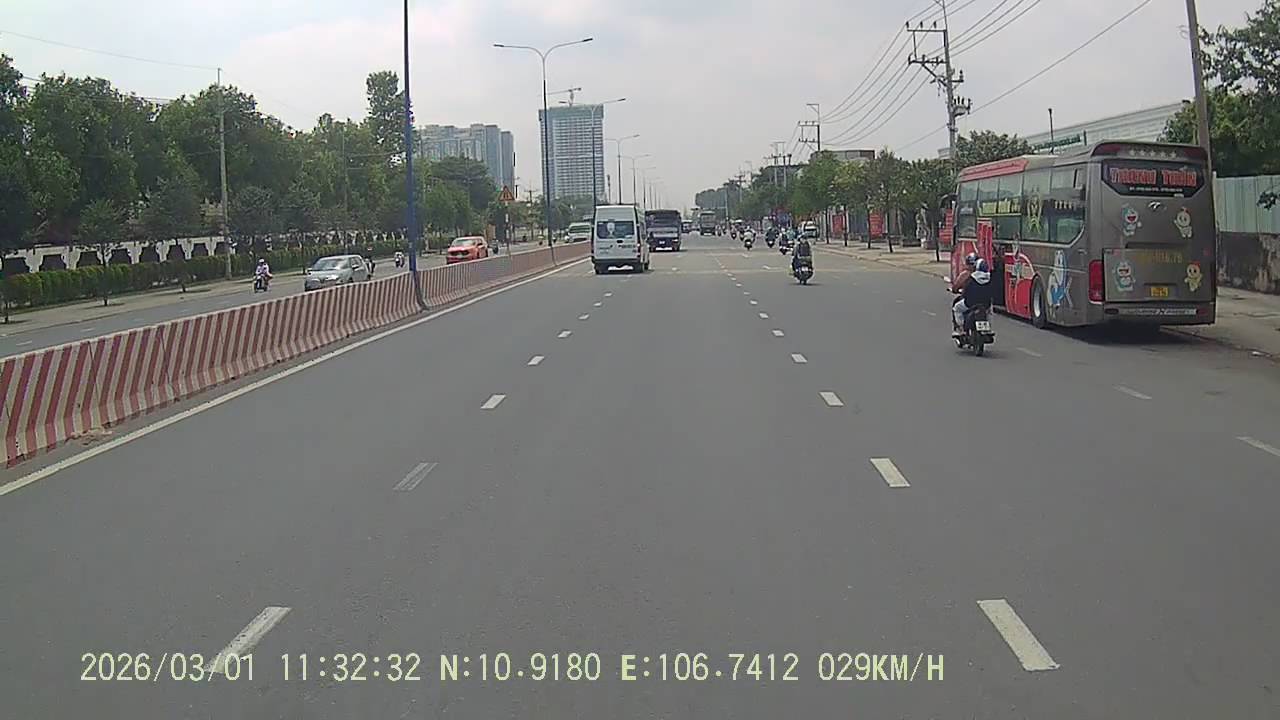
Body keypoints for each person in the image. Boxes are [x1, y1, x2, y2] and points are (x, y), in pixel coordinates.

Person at [951, 253, 993, 336]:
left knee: (957, 308)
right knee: (989, 311)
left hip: (970, 302)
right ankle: (988, 329)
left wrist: (958, 290)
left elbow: (963, 289)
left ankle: (960, 329)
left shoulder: (969, 276)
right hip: (985, 303)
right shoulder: (989, 278)